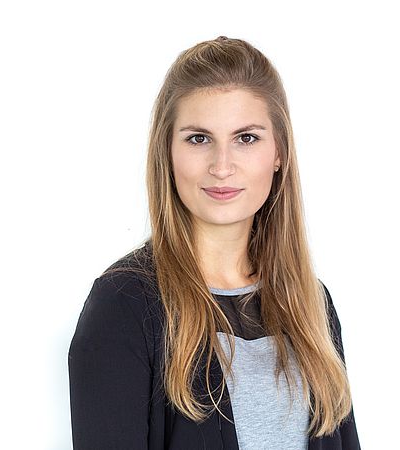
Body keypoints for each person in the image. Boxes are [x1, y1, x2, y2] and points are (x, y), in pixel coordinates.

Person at [68, 35, 361, 450]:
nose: (222, 167)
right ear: (167, 152)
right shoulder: (124, 304)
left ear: (279, 152)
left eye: (246, 138)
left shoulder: (310, 302)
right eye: (198, 138)